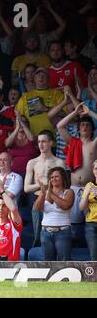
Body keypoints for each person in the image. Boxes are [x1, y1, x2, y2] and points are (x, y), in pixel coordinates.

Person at [58, 104, 97, 246]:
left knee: (91, 223)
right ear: (78, 129)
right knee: (73, 225)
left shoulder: (94, 144)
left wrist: (90, 112)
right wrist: (75, 112)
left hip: (90, 188)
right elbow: (60, 126)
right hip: (74, 188)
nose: (85, 127)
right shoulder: (73, 142)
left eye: (87, 125)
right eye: (82, 125)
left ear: (92, 129)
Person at [24, 130, 66, 247]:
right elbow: (26, 188)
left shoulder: (59, 162)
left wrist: (48, 185)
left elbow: (65, 186)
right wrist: (43, 185)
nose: (41, 144)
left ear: (51, 143)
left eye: (44, 141)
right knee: (38, 236)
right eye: (39, 142)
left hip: (54, 202)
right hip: (37, 200)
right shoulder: (32, 162)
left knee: (55, 235)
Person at [34, 166, 74, 261]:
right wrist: (43, 194)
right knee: (48, 263)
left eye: (56, 176)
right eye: (51, 177)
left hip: (63, 232)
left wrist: (50, 193)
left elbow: (66, 205)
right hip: (45, 232)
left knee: (64, 263)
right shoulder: (45, 193)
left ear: (63, 178)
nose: (53, 179)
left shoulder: (68, 192)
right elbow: (37, 208)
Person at [15, 67, 64, 137]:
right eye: (38, 75)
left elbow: (66, 114)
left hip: (54, 138)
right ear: (34, 78)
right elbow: (18, 117)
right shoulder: (25, 97)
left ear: (49, 78)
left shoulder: (58, 94)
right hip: (32, 138)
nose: (41, 77)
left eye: (44, 75)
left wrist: (46, 109)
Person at [5, 110, 38, 177]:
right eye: (19, 122)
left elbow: (31, 139)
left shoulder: (33, 137)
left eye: (24, 122)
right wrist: (17, 127)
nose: (20, 123)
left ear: (27, 124)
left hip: (31, 173)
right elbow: (7, 144)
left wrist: (22, 124)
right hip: (13, 174)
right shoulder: (12, 138)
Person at [79, 159, 97, 260]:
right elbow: (81, 207)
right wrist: (86, 196)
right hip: (91, 224)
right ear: (93, 171)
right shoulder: (89, 185)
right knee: (94, 256)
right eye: (96, 168)